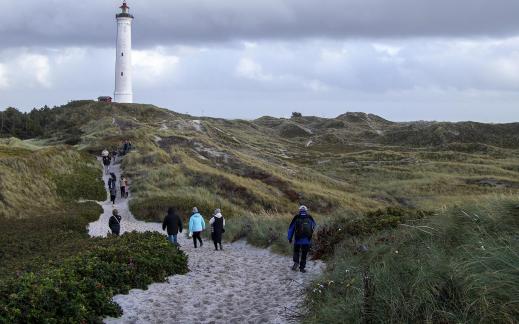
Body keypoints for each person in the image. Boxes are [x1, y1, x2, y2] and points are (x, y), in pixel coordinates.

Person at [287, 205, 316, 273]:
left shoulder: (296, 217)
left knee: (296, 252)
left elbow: (291, 229)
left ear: (299, 210)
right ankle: (302, 268)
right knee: (304, 254)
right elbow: (314, 226)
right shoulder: (309, 217)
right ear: (306, 210)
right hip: (306, 241)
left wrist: (290, 238)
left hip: (297, 240)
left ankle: (296, 262)